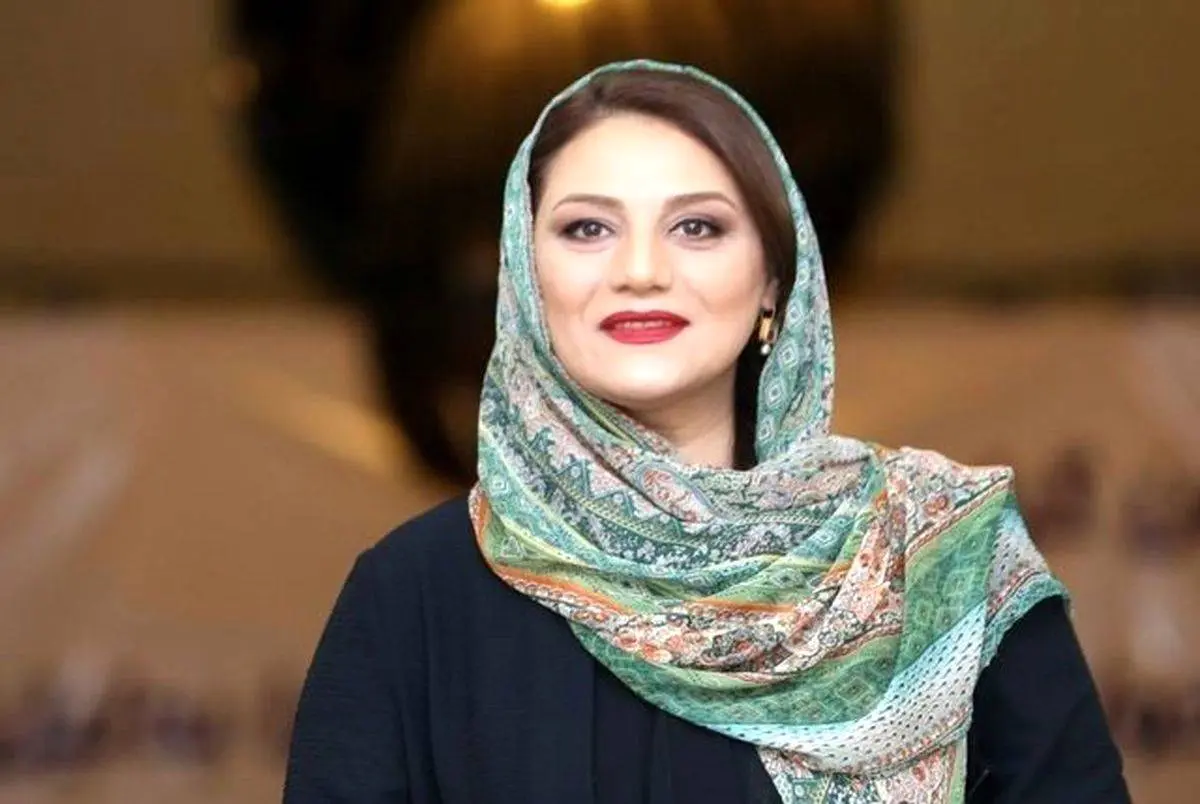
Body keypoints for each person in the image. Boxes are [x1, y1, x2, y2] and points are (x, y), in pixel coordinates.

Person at [283, 60, 1130, 804]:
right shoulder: (414, 597)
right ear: (524, 273)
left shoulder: (940, 558)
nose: (641, 270)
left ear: (772, 282)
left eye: (697, 227)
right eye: (587, 229)